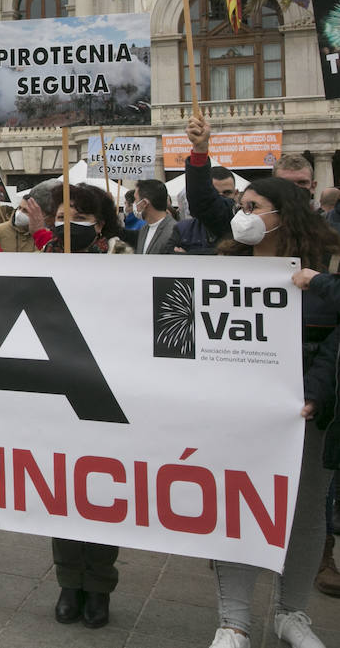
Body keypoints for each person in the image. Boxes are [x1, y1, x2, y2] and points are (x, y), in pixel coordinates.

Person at [185, 115, 340, 648]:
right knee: (238, 507)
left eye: (253, 208)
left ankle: (291, 615)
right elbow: (206, 206)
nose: (243, 216)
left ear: (283, 215)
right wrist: (200, 156)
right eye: (241, 208)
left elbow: (332, 342)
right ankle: (233, 620)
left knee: (304, 517)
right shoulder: (228, 264)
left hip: (307, 412)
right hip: (241, 412)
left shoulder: (325, 270)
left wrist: (314, 394)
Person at [19, 183, 131, 628]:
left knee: (102, 497)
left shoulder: (125, 260)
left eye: (83, 219)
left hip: (107, 397)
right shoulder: (46, 257)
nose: (73, 226)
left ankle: (99, 586)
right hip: (57, 395)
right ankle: (69, 581)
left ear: (100, 225)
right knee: (62, 498)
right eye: (66, 218)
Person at [175, 167, 238, 255]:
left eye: (227, 193)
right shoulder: (182, 229)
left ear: (236, 194)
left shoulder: (243, 228)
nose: (220, 199)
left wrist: (189, 255)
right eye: (215, 194)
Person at [131, 179, 179, 254]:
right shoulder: (144, 229)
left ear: (144, 203)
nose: (134, 204)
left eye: (135, 199)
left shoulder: (173, 232)